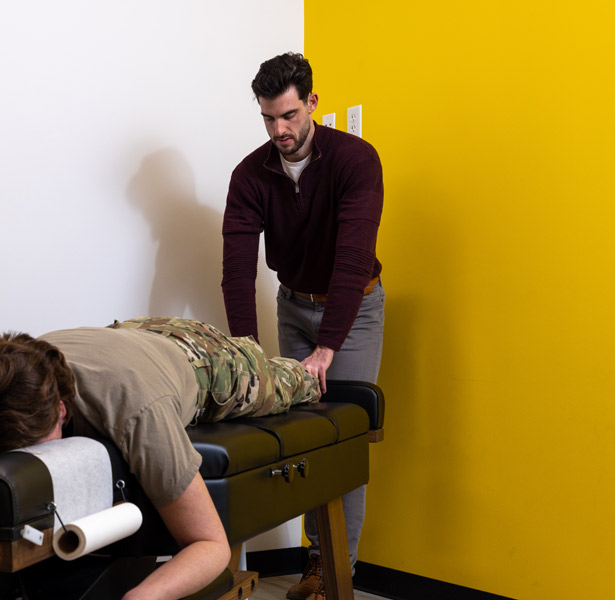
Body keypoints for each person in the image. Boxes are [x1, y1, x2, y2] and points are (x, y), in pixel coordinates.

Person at [0, 317, 321, 600]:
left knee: (294, 380)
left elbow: (210, 546)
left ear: (63, 412)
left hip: (205, 359)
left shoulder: (136, 411)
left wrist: (143, 598)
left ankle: (308, 370)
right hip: (126, 335)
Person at [221, 52, 385, 600]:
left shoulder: (356, 160)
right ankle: (316, 560)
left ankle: (334, 572)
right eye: (268, 119)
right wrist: (245, 351)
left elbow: (354, 259)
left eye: (288, 116)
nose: (280, 131)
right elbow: (238, 272)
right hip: (292, 306)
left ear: (312, 102)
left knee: (343, 434)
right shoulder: (250, 175)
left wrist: (328, 347)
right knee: (301, 435)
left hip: (354, 308)